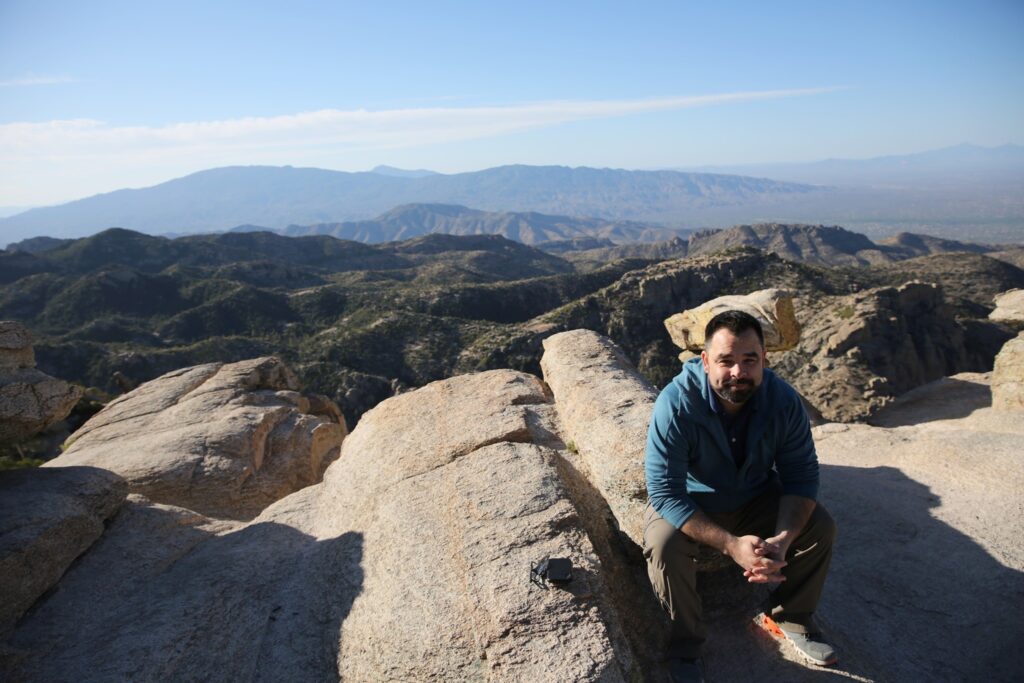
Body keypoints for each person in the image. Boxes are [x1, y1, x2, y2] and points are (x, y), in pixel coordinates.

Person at [643, 310, 837, 682]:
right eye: (726, 361)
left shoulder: (783, 402)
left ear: (764, 359)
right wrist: (730, 544)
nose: (738, 372)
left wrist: (783, 538)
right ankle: (685, 647)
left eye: (749, 360)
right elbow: (665, 491)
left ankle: (791, 617)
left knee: (820, 526)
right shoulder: (676, 403)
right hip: (694, 502)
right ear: (705, 361)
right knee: (663, 544)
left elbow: (801, 476)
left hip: (754, 499)